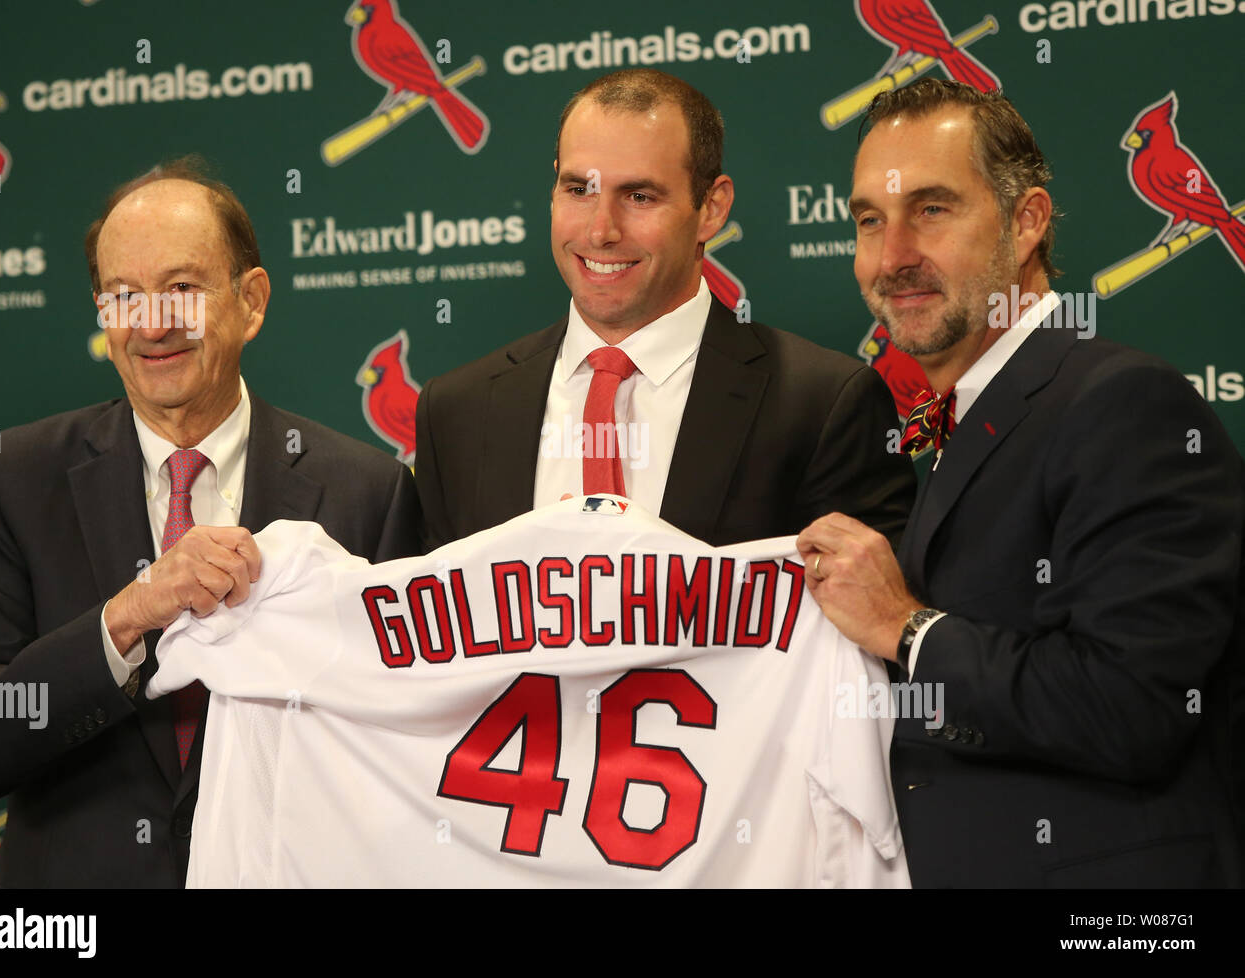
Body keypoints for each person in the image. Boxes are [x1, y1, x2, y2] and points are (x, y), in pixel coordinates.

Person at [798, 79, 1244, 887]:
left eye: (931, 210)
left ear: (1027, 221)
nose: (892, 255)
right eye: (870, 220)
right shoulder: (976, 417)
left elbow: (1130, 710)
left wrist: (905, 628)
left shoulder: (1123, 403)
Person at [0, 156, 422, 887]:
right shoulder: (8, 479)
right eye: (123, 296)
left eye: (182, 289)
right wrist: (125, 619)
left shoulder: (369, 492)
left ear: (251, 301)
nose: (152, 324)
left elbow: (404, 756)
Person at [415, 69, 915, 549]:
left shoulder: (823, 406)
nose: (600, 231)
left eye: (639, 195)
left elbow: (862, 624)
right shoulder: (455, 412)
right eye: (578, 190)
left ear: (712, 209)